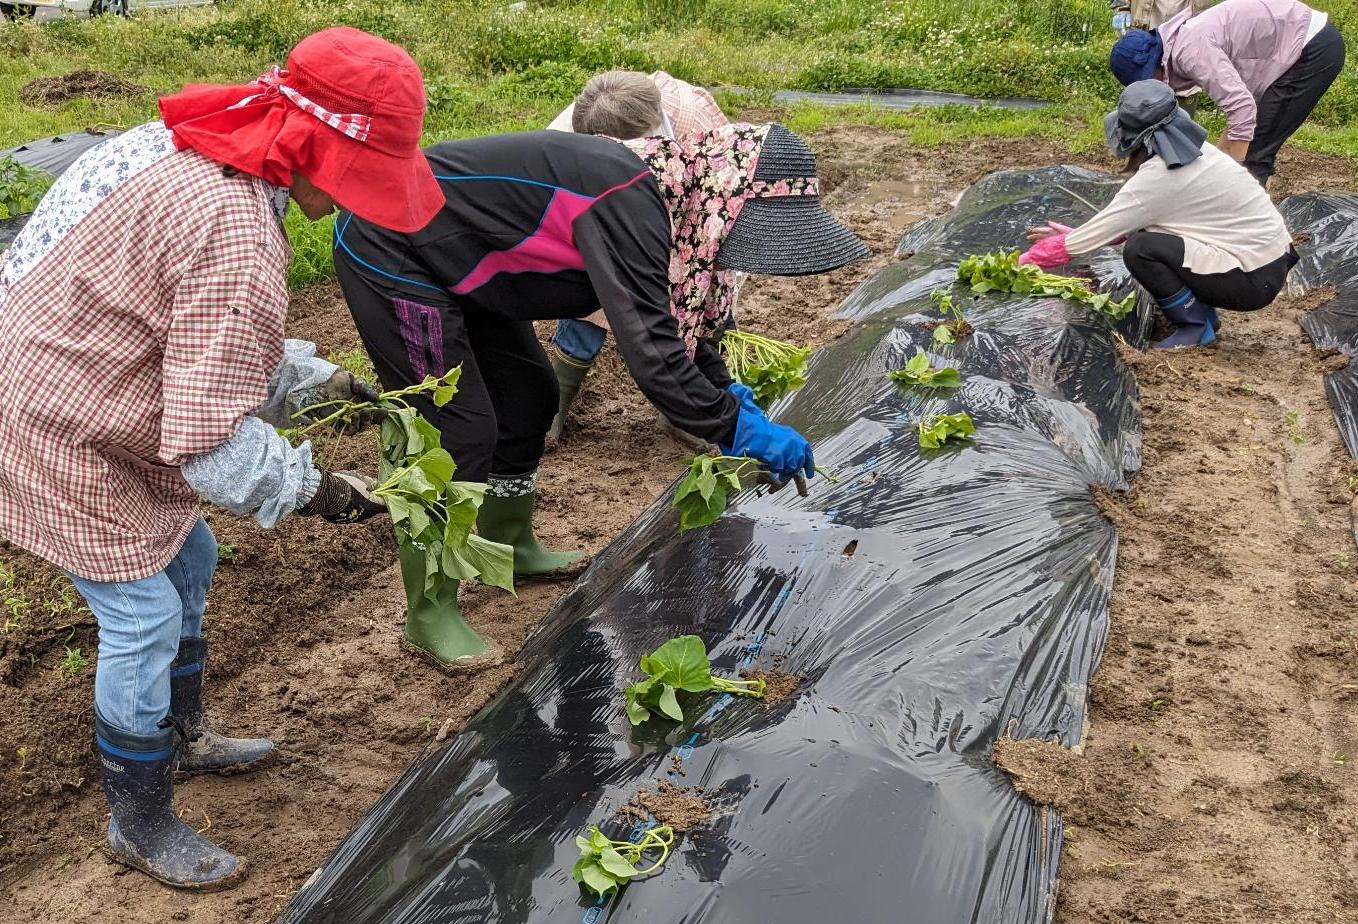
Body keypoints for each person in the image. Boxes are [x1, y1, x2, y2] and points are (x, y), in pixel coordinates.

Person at [0, 28, 442, 890]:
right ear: (314, 145)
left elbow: (193, 328)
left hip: (87, 373)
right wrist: (324, 492)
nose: (352, 199)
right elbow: (208, 443)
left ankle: (183, 734)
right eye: (358, 174)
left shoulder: (202, 139)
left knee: (191, 554)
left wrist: (318, 379)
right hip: (54, 417)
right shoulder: (236, 230)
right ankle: (139, 821)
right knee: (142, 616)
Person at [332, 122, 869, 667]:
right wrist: (738, 427)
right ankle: (428, 613)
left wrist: (725, 389)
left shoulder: (677, 205)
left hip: (467, 262)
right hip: (392, 244)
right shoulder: (627, 201)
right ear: (726, 199)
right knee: (453, 429)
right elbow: (653, 355)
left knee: (530, 396)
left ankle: (510, 546)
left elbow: (678, 328)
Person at [1019, 81, 1296, 349]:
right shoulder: (1200, 152)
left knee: (1141, 248)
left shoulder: (1158, 179)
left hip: (1252, 279)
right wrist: (1075, 235)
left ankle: (1194, 326)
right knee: (1150, 233)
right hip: (1269, 261)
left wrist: (1025, 262)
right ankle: (1205, 316)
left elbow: (1102, 234)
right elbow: (1122, 224)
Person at [544, 69, 735, 446]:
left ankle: (688, 410)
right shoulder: (564, 138)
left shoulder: (694, 119)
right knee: (591, 294)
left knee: (700, 298)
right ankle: (553, 407)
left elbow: (726, 188)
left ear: (653, 125)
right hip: (610, 210)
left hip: (692, 210)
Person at [1109, 0, 1346, 186]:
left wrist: (1233, 172)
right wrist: (1218, 161)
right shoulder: (1182, 40)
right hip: (1294, 43)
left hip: (1310, 47)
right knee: (1242, 151)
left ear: (1154, 65)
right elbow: (1241, 107)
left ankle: (1253, 229)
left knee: (1253, 157)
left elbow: (1242, 108)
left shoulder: (1190, 51)